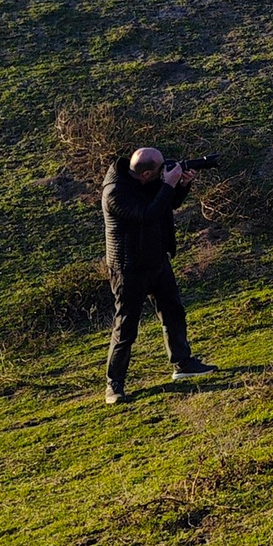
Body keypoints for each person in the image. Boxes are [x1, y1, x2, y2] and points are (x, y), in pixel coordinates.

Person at [102, 145, 212, 403]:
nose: (166, 172)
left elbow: (167, 205)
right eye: (161, 170)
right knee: (126, 327)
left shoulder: (145, 181)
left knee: (173, 311)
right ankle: (114, 385)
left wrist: (180, 186)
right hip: (129, 269)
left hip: (157, 260)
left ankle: (182, 364)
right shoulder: (115, 192)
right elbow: (146, 215)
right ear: (146, 174)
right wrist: (168, 185)